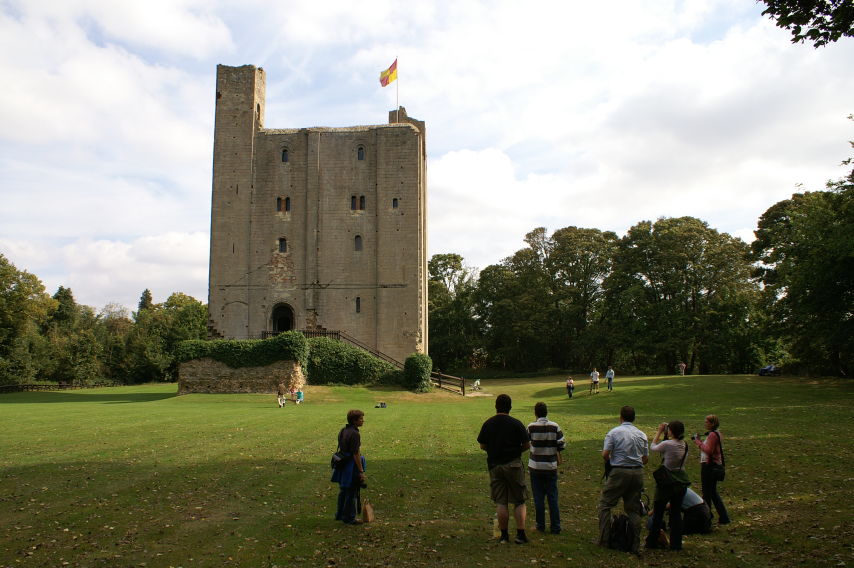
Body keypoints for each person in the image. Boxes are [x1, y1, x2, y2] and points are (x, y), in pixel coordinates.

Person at [477, 394, 531, 544]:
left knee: (501, 501)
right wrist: (515, 451)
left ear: (496, 406)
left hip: (495, 466)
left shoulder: (488, 423)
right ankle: (520, 535)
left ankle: (504, 536)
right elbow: (527, 444)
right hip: (513, 464)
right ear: (510, 407)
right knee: (519, 500)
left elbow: (482, 445)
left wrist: (494, 450)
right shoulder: (516, 424)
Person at [598, 405, 648, 553]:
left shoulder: (614, 432)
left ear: (621, 417)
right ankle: (635, 544)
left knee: (605, 504)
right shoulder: (642, 434)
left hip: (620, 472)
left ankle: (604, 540)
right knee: (633, 508)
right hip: (638, 472)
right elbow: (645, 459)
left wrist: (613, 460)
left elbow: (605, 454)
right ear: (634, 418)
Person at [645, 421, 690, 551]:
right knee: (676, 514)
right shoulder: (684, 445)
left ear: (672, 431)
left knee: (658, 513)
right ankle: (676, 544)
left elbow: (653, 447)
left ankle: (652, 542)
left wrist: (659, 432)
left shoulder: (668, 444)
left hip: (667, 481)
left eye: (669, 429)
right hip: (681, 480)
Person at [527, 402, 565, 534]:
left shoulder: (531, 427)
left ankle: (540, 525)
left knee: (538, 497)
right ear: (546, 412)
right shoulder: (555, 426)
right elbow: (561, 444)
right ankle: (555, 526)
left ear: (536, 413)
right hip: (550, 466)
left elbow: (526, 442)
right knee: (552, 497)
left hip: (535, 466)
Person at [692, 414, 730, 525]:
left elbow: (708, 450)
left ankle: (707, 518)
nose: (705, 423)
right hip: (713, 465)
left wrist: (697, 442)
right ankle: (723, 517)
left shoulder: (713, 435)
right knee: (712, 492)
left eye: (707, 422)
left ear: (712, 423)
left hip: (709, 466)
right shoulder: (716, 433)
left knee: (707, 493)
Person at [331, 410, 367, 525]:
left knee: (343, 490)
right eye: (361, 419)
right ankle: (349, 517)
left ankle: (340, 514)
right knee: (351, 491)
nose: (363, 421)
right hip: (350, 464)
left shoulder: (343, 430)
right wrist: (361, 471)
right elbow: (356, 453)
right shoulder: (355, 434)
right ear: (354, 420)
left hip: (343, 462)